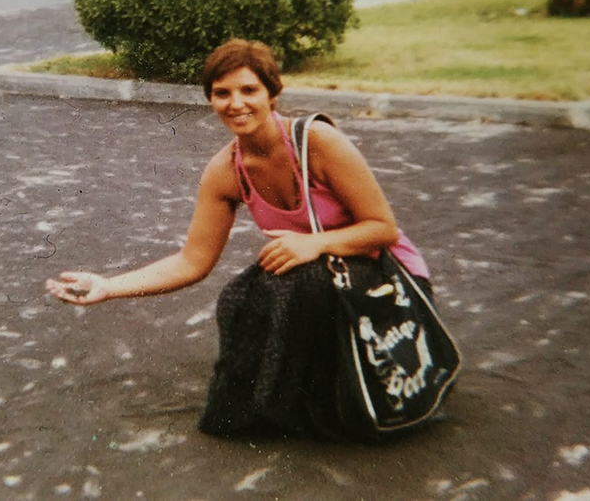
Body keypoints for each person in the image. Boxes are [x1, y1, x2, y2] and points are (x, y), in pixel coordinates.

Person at [45, 38, 433, 440]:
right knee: (241, 295)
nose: (236, 104)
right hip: (319, 280)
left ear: (273, 93)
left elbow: (382, 228)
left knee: (300, 283)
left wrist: (315, 243)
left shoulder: (317, 141)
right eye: (221, 93)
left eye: (249, 90)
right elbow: (192, 261)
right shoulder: (225, 171)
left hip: (388, 281)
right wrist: (108, 287)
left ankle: (337, 402)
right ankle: (289, 403)